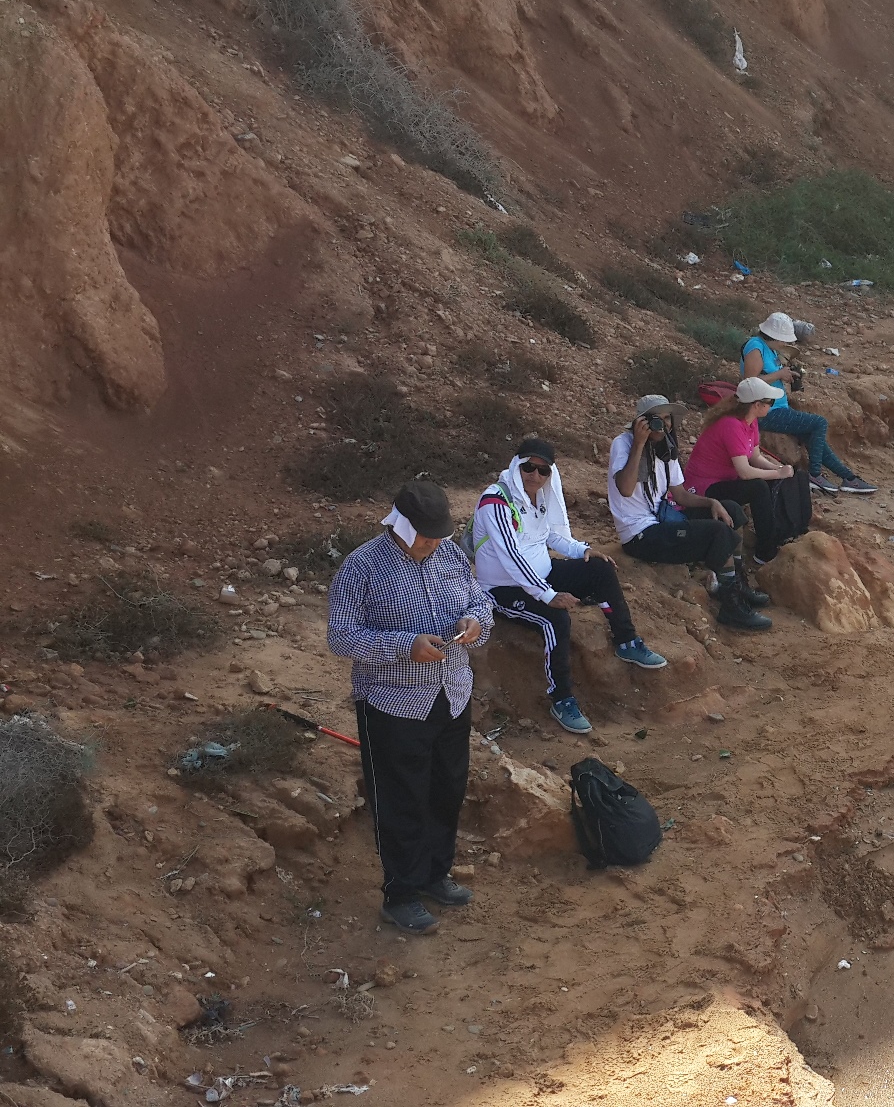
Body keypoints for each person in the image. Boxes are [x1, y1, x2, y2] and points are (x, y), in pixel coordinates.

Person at [326, 481, 493, 935]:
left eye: (438, 534)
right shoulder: (361, 567)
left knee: (447, 789)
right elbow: (340, 636)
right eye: (424, 535)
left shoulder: (450, 556)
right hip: (393, 704)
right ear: (399, 525)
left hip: (452, 694)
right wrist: (405, 646)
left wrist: (475, 623)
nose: (432, 543)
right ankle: (400, 894)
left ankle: (435, 876)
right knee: (401, 798)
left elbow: (482, 600)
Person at [471, 438, 667, 736]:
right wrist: (547, 595)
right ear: (516, 466)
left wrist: (582, 550)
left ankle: (627, 642)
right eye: (528, 467)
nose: (534, 476)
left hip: (542, 574)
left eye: (542, 471)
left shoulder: (538, 496)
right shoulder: (496, 501)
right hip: (503, 588)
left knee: (599, 569)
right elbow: (511, 557)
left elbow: (549, 536)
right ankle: (561, 697)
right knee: (556, 619)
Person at [609, 396, 772, 632]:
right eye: (657, 419)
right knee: (717, 533)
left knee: (731, 510)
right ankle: (731, 607)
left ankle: (736, 584)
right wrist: (639, 444)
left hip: (663, 518)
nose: (663, 425)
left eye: (668, 419)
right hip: (639, 534)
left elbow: (680, 494)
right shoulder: (624, 444)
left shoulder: (666, 448)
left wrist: (711, 502)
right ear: (641, 422)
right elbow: (625, 488)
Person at [682, 377, 814, 567]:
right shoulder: (731, 426)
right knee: (758, 487)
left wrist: (779, 469)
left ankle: (795, 530)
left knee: (793, 475)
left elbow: (755, 457)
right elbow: (744, 472)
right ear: (757, 405)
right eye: (770, 402)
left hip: (726, 479)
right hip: (705, 487)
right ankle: (765, 550)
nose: (772, 406)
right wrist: (777, 474)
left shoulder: (750, 422)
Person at [740, 313, 876, 495]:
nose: (785, 344)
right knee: (819, 423)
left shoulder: (770, 350)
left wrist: (785, 374)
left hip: (777, 407)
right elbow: (750, 382)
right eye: (783, 340)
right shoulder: (755, 347)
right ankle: (814, 475)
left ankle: (849, 478)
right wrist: (779, 375)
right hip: (766, 411)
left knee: (814, 438)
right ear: (774, 336)